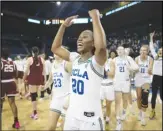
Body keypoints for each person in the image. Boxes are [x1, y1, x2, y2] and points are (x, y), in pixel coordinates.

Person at [51, 9, 107, 130]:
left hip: (91, 120)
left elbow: (101, 47)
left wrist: (95, 18)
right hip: (72, 116)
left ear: (93, 43)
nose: (79, 39)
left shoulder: (96, 62)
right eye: (79, 38)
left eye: (84, 37)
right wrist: (63, 26)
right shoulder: (75, 58)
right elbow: (55, 48)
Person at [113, 45, 139, 130]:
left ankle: (124, 112)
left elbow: (136, 67)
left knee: (125, 100)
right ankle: (118, 119)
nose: (120, 51)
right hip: (117, 81)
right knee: (117, 101)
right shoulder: (114, 60)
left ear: (124, 51)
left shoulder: (128, 58)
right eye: (118, 49)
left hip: (126, 81)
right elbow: (110, 70)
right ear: (117, 51)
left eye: (121, 49)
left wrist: (130, 68)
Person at [44, 54, 70, 130]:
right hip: (56, 99)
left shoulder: (67, 64)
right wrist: (44, 87)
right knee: (50, 127)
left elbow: (75, 80)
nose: (54, 53)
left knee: (64, 128)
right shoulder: (53, 64)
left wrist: (71, 98)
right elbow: (50, 80)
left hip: (67, 98)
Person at [23, 46, 46, 120]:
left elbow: (26, 71)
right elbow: (44, 72)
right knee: (35, 95)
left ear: (32, 52)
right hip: (39, 79)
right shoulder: (42, 59)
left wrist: (24, 78)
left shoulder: (29, 59)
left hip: (32, 79)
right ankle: (34, 112)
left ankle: (35, 113)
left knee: (33, 97)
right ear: (38, 52)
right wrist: (44, 81)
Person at [1, 48, 20, 129]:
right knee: (12, 103)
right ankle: (16, 122)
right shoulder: (13, 63)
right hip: (11, 83)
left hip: (2, 83)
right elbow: (16, 74)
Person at [135, 45, 153, 126]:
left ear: (147, 51)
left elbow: (150, 71)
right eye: (141, 50)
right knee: (139, 97)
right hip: (138, 79)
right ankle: (140, 112)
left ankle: (143, 117)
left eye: (145, 50)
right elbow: (134, 70)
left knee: (145, 97)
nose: (143, 51)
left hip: (146, 81)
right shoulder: (136, 59)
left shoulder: (150, 59)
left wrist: (150, 70)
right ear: (139, 51)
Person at [100, 49, 115, 130]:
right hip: (100, 86)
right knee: (99, 104)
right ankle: (101, 117)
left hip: (109, 85)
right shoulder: (98, 62)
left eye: (105, 53)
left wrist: (103, 70)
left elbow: (112, 74)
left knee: (108, 105)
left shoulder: (111, 62)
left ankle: (107, 118)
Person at [149, 32, 162, 119]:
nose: (161, 51)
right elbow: (151, 47)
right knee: (153, 95)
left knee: (162, 96)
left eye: (162, 51)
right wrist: (151, 38)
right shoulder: (155, 56)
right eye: (160, 50)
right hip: (155, 78)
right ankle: (153, 111)